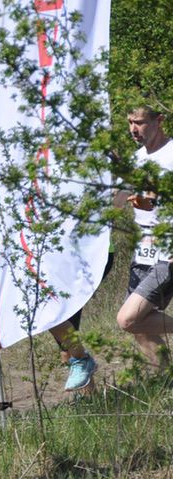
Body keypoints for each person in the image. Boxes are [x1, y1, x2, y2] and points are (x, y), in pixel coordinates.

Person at [115, 107, 173, 368]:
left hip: (168, 249)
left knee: (128, 319)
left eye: (139, 122)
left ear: (158, 121)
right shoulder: (135, 160)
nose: (133, 129)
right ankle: (167, 378)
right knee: (140, 327)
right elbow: (116, 203)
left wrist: (154, 201)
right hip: (143, 250)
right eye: (130, 122)